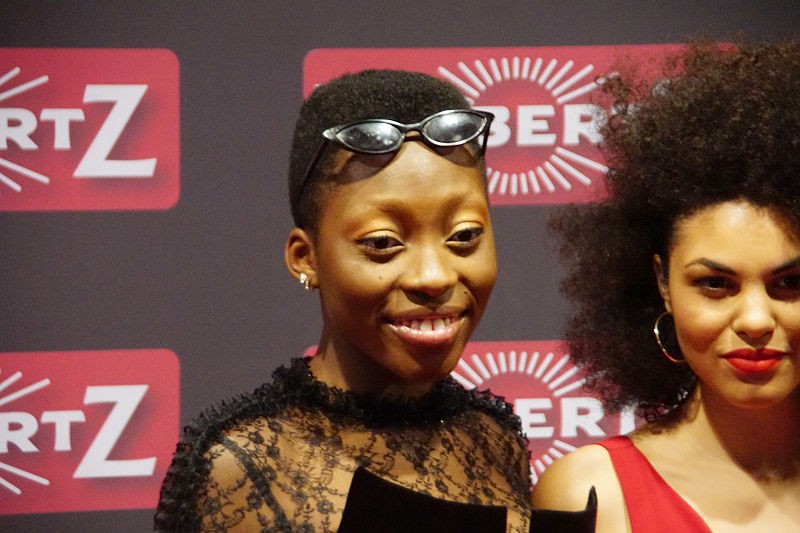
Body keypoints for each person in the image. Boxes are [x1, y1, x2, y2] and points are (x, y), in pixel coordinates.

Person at [154, 69, 534, 532]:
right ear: (306, 257)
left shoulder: (496, 442)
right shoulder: (242, 467)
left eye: (465, 235)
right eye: (382, 242)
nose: (433, 276)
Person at [532, 40, 800, 532]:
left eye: (790, 282)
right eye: (715, 284)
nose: (756, 320)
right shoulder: (592, 494)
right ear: (663, 284)